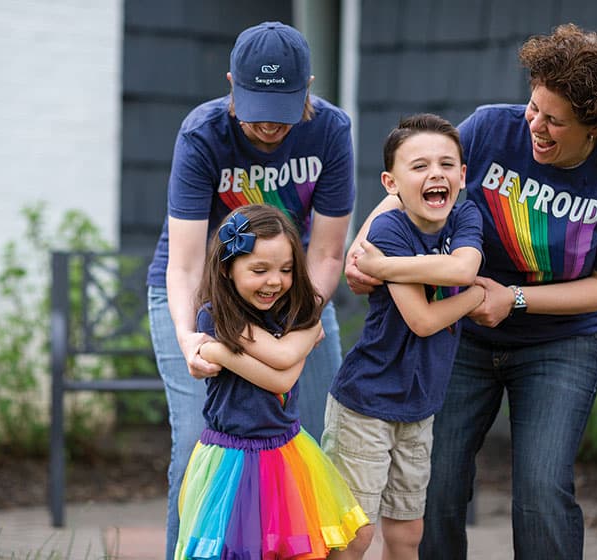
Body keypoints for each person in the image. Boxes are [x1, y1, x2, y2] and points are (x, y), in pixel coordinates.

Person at [345, 24, 597, 559]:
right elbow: (418, 180)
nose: (535, 124)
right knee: (434, 480)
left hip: (560, 342)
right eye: (534, 107)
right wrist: (365, 249)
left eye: (555, 121)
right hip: (458, 335)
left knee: (540, 489)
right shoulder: (491, 128)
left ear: (595, 128)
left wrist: (512, 299)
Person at [146, 21, 355, 559]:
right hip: (204, 299)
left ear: (307, 88)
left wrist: (302, 326)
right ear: (231, 85)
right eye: (256, 106)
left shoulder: (331, 130)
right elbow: (187, 264)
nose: (267, 125)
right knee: (198, 441)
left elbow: (328, 254)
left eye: (282, 108)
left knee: (305, 440)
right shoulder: (203, 133)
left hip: (294, 293)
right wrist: (192, 339)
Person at [321, 114, 484, 560]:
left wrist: (385, 270)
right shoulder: (389, 230)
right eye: (420, 166)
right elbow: (423, 320)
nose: (436, 174)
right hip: (367, 401)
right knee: (355, 533)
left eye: (447, 164)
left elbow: (464, 268)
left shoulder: (466, 215)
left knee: (409, 531)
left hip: (420, 404)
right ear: (391, 183)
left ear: (463, 175)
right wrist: (474, 299)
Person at [174, 204, 367, 559]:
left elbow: (284, 368)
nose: (274, 281)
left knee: (304, 545)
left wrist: (219, 354)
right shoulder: (217, 317)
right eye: (259, 270)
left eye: (286, 269)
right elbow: (281, 369)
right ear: (228, 270)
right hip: (230, 460)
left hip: (285, 453)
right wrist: (305, 338)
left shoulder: (292, 311)